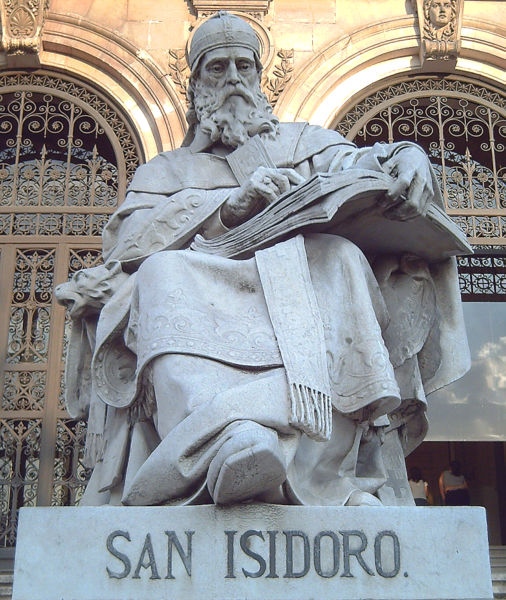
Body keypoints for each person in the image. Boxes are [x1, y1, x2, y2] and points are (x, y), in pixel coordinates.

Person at [56, 11, 470, 508]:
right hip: (201, 279)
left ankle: (325, 477)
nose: (233, 78)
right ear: (195, 85)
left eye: (243, 66)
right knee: (161, 273)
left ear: (259, 75)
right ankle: (219, 442)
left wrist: (407, 155)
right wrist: (227, 209)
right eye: (217, 68)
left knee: (340, 259)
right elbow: (127, 241)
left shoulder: (301, 142)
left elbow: (360, 163)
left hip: (298, 277)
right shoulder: (166, 169)